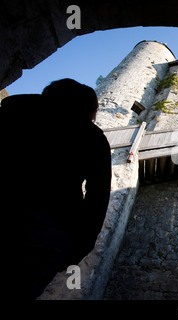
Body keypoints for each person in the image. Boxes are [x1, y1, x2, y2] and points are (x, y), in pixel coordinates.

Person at [0, 79, 112, 300]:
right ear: (90, 109)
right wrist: (76, 250)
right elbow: (97, 201)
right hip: (45, 233)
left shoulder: (10, 114)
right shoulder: (93, 138)